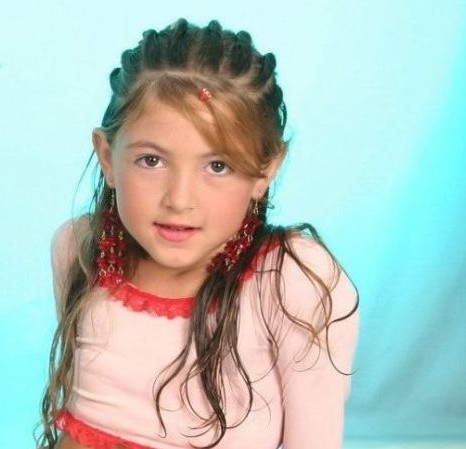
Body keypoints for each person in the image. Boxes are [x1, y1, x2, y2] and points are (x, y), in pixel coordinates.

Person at [35, 18, 359, 449]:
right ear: (107, 157)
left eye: (217, 166)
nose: (179, 199)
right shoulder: (78, 247)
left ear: (265, 171)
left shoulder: (291, 282)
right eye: (151, 161)